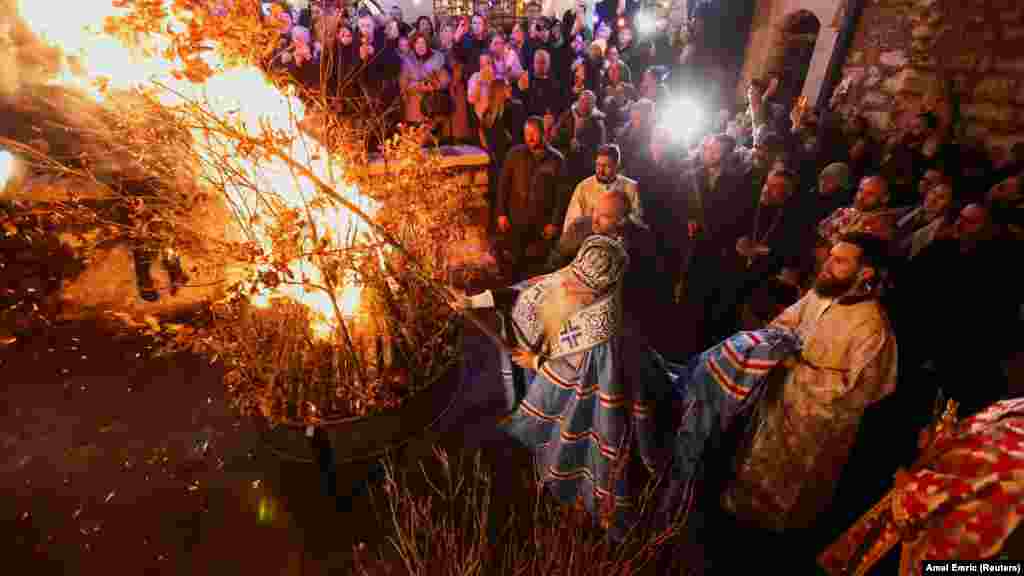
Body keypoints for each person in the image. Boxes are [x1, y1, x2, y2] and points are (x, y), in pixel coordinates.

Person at [720, 233, 898, 542]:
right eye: (831, 255)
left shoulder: (872, 325)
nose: (827, 264)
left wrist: (796, 368)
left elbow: (861, 390)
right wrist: (775, 343)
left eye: (840, 260)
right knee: (749, 479)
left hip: (817, 431)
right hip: (777, 406)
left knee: (788, 501)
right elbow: (785, 323)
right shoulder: (820, 295)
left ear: (866, 272)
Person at [495, 116, 570, 281]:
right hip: (515, 219)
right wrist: (501, 213)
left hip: (541, 223)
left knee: (536, 267)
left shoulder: (557, 159)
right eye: (526, 133)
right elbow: (503, 185)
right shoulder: (514, 154)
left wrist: (554, 223)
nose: (529, 138)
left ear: (544, 133)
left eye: (534, 133)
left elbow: (561, 195)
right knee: (512, 263)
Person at [561, 144, 642, 232]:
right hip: (589, 238)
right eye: (598, 165)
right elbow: (572, 221)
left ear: (617, 166)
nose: (601, 170)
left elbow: (637, 218)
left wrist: (616, 222)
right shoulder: (583, 187)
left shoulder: (631, 187)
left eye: (607, 166)